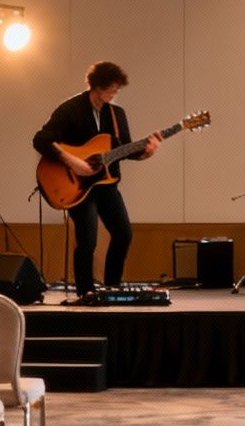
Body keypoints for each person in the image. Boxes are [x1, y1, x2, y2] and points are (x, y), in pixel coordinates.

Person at [32, 61, 161, 297]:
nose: (115, 93)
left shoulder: (116, 114)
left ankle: (112, 286)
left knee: (123, 233)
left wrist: (146, 152)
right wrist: (74, 162)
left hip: (106, 184)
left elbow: (125, 150)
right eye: (112, 89)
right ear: (98, 87)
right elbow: (41, 139)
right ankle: (85, 292)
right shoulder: (70, 109)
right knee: (87, 240)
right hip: (77, 186)